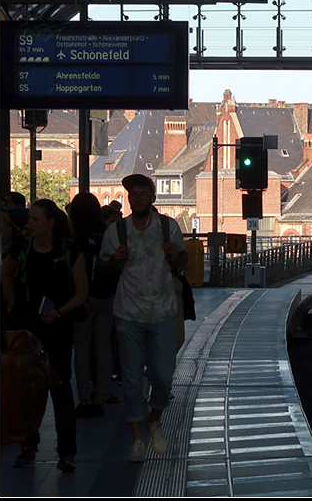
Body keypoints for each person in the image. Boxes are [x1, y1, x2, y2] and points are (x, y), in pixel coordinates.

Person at [97, 174, 188, 463]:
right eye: (132, 195)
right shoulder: (117, 232)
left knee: (163, 375)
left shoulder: (167, 227)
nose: (137, 199)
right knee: (132, 379)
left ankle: (155, 416)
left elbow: (183, 263)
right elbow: (103, 268)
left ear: (152, 198)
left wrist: (175, 256)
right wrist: (115, 261)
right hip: (128, 312)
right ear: (128, 199)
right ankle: (138, 438)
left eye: (142, 194)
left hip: (162, 310)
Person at [1, 198, 88, 473]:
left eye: (36, 219)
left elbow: (81, 292)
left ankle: (67, 451)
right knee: (26, 387)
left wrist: (59, 312)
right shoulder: (22, 246)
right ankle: (29, 446)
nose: (30, 223)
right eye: (30, 218)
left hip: (57, 326)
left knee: (59, 387)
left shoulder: (69, 251)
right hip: (28, 326)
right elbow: (6, 272)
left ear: (51, 222)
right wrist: (13, 303)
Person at [69, 192, 119, 417]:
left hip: (84, 297)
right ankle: (103, 393)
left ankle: (84, 398)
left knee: (81, 348)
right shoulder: (107, 234)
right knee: (103, 346)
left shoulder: (75, 238)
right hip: (107, 295)